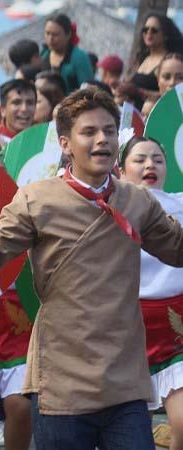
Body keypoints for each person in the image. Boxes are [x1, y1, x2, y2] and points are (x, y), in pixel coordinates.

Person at [0, 87, 183, 449]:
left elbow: (178, 250)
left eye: (110, 131)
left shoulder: (137, 199)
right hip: (61, 380)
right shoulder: (35, 199)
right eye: (89, 132)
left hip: (125, 377)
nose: (102, 140)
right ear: (65, 143)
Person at [118, 136, 183, 450]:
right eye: (140, 159)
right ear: (120, 169)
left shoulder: (181, 202)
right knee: (128, 434)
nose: (150, 165)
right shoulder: (109, 209)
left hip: (177, 326)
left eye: (158, 159)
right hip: (127, 328)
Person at [129, 14, 183, 97]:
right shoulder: (142, 58)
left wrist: (139, 92)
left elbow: (172, 93)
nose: (148, 33)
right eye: (145, 29)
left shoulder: (171, 62)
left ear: (166, 35)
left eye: (154, 30)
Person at [41, 13, 93, 94]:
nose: (50, 38)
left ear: (68, 34)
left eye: (55, 34)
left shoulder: (79, 58)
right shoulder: (44, 55)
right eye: (47, 33)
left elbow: (88, 91)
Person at [0, 79, 37, 144]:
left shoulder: (44, 141)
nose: (24, 109)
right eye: (17, 103)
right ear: (2, 110)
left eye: (30, 103)